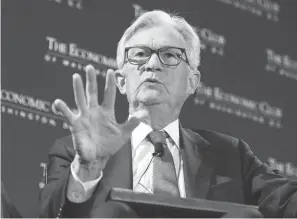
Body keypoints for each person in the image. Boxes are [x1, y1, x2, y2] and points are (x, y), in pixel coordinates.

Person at [40, 10, 297, 218]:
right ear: (120, 81)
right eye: (140, 54)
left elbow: (287, 201)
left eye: (170, 55)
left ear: (192, 82)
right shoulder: (72, 153)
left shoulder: (232, 155)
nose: (152, 64)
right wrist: (87, 169)